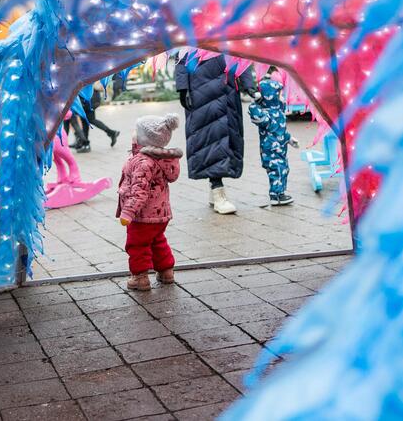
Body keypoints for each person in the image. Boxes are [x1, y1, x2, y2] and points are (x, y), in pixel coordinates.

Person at [175, 54, 256, 214]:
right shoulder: (189, 30)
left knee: (228, 137)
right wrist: (183, 87)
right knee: (209, 137)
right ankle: (217, 189)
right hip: (201, 88)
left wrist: (247, 83)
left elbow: (239, 52)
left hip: (227, 89)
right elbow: (181, 56)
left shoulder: (227, 29)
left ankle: (215, 188)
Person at [117, 114, 182, 291]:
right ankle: (166, 271)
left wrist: (128, 213)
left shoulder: (143, 162)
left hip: (142, 215)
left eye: (136, 131)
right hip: (161, 214)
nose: (133, 133)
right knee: (157, 240)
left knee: (137, 245)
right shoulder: (160, 159)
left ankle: (140, 277)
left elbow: (139, 191)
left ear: (145, 139)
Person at [249, 66, 299, 205]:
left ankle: (279, 193)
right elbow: (257, 117)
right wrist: (254, 104)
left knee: (284, 169)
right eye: (279, 95)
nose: (282, 98)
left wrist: (289, 139)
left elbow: (280, 131)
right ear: (271, 97)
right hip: (270, 150)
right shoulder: (266, 114)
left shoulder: (279, 113)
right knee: (276, 170)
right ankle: (276, 194)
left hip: (281, 150)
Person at [78, 81, 120, 152]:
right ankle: (85, 144)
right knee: (85, 121)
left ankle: (112, 133)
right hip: (90, 98)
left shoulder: (86, 73)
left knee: (90, 120)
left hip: (89, 99)